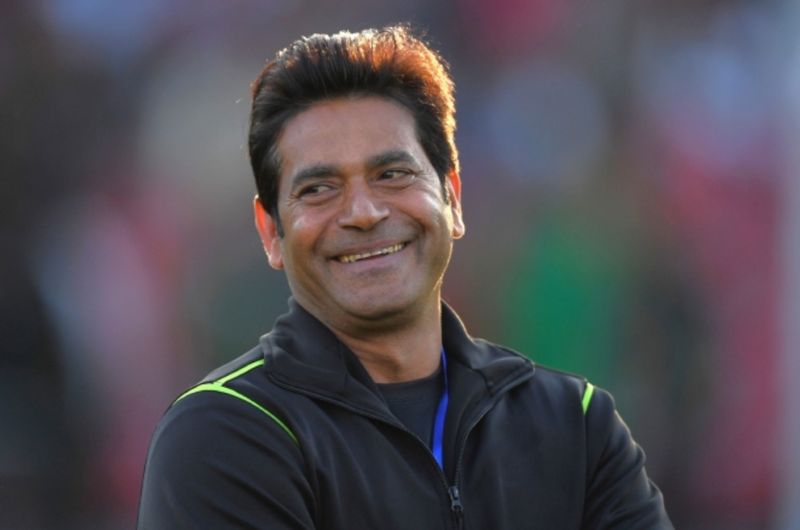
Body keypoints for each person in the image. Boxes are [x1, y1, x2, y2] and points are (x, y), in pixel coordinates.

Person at [137, 25, 672, 529]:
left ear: (452, 199)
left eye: (392, 174)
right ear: (271, 232)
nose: (364, 212)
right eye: (319, 189)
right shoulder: (224, 433)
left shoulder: (576, 425)